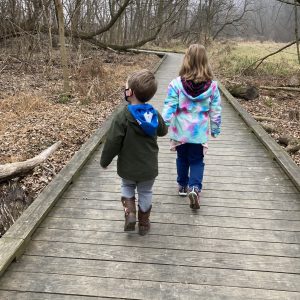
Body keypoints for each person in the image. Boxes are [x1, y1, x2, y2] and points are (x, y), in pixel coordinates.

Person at [100, 69, 168, 235]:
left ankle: (130, 213)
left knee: (127, 186)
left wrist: (105, 161)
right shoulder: (153, 114)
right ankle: (144, 223)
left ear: (130, 93)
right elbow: (163, 131)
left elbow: (113, 141)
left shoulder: (122, 116)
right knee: (145, 191)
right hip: (148, 168)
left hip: (128, 167)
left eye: (126, 87)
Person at [162, 44, 222, 210]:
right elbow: (215, 111)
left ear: (186, 60)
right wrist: (216, 128)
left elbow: (169, 106)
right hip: (199, 132)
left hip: (180, 131)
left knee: (182, 159)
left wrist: (162, 125)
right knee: (197, 161)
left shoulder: (176, 84)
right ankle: (194, 187)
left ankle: (182, 186)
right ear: (205, 62)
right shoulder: (213, 87)